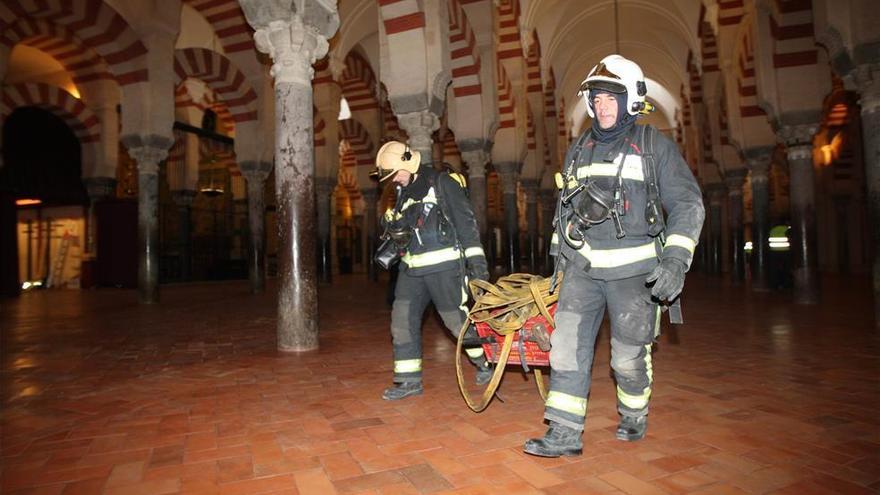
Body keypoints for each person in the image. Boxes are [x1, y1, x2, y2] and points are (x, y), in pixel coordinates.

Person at [523, 54, 705, 456]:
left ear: (630, 101)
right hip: (582, 269)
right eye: (597, 99)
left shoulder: (653, 145)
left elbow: (689, 204)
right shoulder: (579, 148)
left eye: (611, 98)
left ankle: (634, 412)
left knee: (627, 358)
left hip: (635, 274)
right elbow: (564, 208)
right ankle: (565, 432)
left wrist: (675, 260)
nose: (602, 106)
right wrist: (557, 267)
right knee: (566, 347)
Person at [374, 140, 492, 400]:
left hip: (444, 268)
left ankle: (485, 361)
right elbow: (408, 232)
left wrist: (478, 269)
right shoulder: (402, 192)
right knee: (401, 320)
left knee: (455, 322)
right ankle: (408, 381)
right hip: (411, 270)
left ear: (408, 162)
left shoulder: (443, 183)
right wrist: (394, 229)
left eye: (396, 174)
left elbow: (467, 226)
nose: (395, 180)